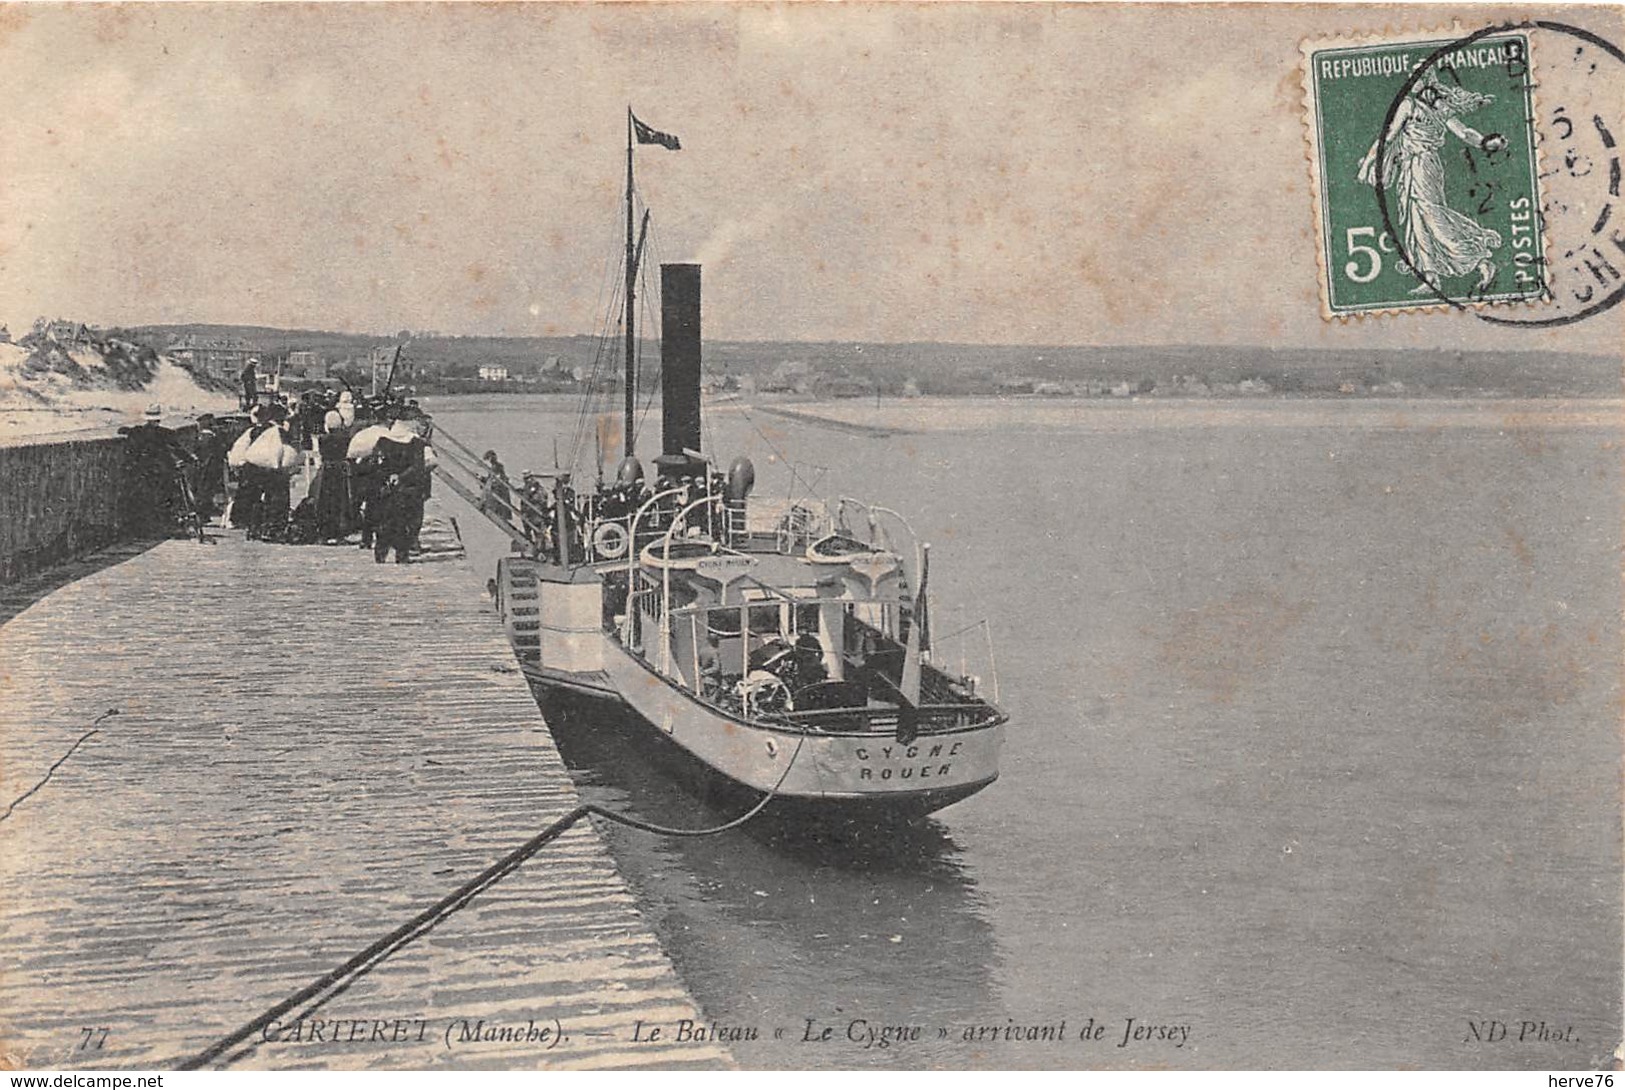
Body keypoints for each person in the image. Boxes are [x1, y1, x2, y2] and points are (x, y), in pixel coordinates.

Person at [1357, 73, 1508, 294]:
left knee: (1431, 214)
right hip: (1413, 165)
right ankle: (1431, 277)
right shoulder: (1418, 105)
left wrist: (1484, 142)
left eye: (1416, 78)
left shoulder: (1416, 105)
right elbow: (1390, 135)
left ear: (1426, 81)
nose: (1411, 82)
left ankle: (1478, 260)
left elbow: (1464, 132)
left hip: (1423, 165)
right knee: (1415, 217)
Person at [118, 404, 194, 537]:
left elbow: (121, 430)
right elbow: (178, 449)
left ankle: (146, 528)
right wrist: (190, 459)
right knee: (166, 498)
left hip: (142, 471)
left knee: (146, 500)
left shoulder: (137, 431)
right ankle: (164, 526)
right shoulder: (166, 433)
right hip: (162, 471)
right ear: (159, 419)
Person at [369, 416, 435, 564]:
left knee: (385, 521)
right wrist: (401, 477)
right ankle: (402, 554)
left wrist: (387, 477)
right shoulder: (417, 444)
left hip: (387, 487)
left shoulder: (383, 442)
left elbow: (375, 463)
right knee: (407, 522)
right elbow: (418, 466)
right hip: (409, 488)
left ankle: (381, 553)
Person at [312, 409, 352, 543]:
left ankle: (324, 533)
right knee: (341, 500)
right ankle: (340, 534)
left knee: (324, 500)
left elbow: (321, 454)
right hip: (341, 468)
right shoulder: (346, 438)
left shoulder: (323, 439)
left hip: (327, 469)